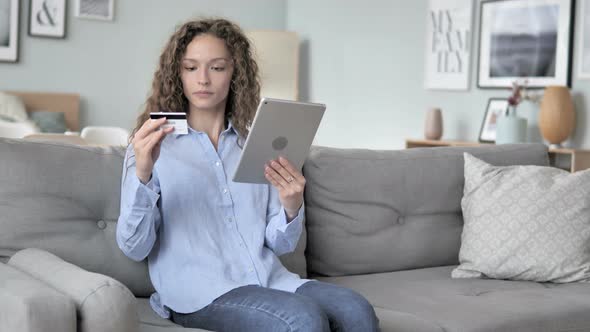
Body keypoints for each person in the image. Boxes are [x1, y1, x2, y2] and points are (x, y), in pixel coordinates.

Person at [116, 18, 379, 332]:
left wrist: (291, 206)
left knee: (356, 309)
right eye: (190, 68)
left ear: (234, 73)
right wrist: (143, 173)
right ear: (177, 74)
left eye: (216, 67)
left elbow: (278, 244)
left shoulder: (256, 144)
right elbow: (134, 246)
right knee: (302, 319)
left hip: (270, 281)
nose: (202, 79)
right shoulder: (152, 147)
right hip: (199, 292)